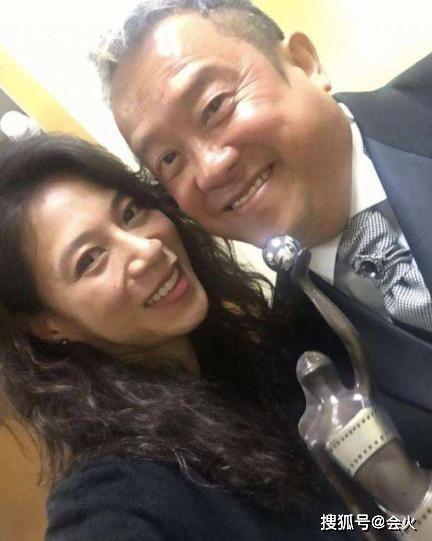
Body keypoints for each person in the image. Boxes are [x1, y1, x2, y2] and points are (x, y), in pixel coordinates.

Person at [91, 0, 432, 466]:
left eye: (215, 106)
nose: (210, 169)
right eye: (169, 160)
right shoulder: (296, 364)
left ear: (305, 64)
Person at [0, 134, 358, 540]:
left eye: (130, 212)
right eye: (91, 259)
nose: (147, 249)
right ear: (50, 325)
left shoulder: (255, 361)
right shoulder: (117, 494)